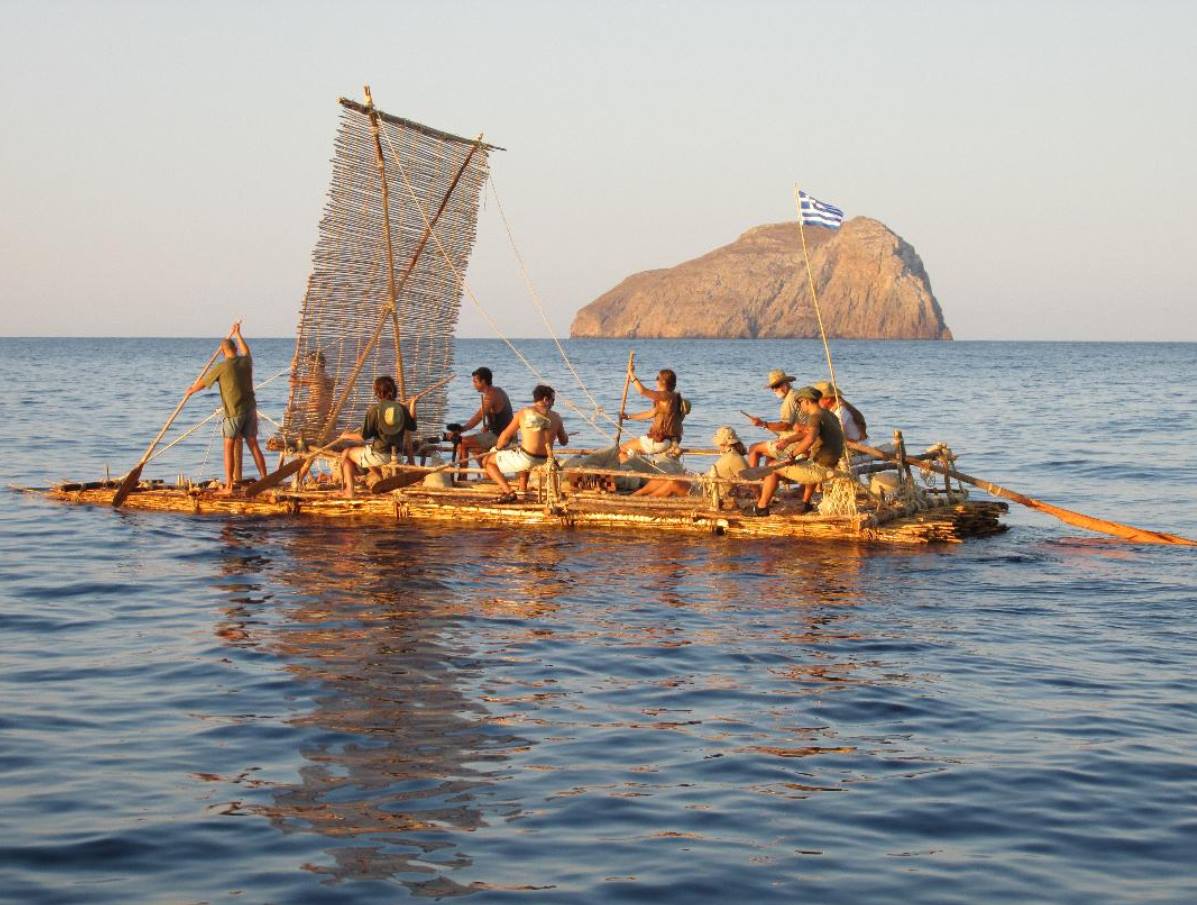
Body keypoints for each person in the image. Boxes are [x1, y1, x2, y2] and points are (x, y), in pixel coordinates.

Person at [184, 321, 267, 495]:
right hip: (250, 409)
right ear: (235, 349)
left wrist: (191, 390)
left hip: (234, 412)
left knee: (228, 445)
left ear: (222, 352)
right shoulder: (246, 361)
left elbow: (203, 383)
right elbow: (247, 351)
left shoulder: (221, 367)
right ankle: (265, 479)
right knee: (253, 444)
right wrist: (238, 333)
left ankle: (229, 486)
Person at [750, 385, 844, 516]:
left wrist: (792, 455)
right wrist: (788, 441)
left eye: (800, 403)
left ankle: (761, 508)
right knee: (797, 461)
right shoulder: (828, 414)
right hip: (830, 464)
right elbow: (809, 432)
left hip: (820, 469)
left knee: (772, 466)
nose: (800, 406)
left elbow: (810, 439)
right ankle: (805, 503)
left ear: (806, 401)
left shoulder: (815, 416)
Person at [335, 375, 435, 498]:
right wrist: (413, 404)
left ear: (378, 392)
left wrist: (346, 435)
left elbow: (362, 436)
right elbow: (413, 426)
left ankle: (349, 490)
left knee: (346, 453)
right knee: (366, 450)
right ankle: (379, 478)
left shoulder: (375, 410)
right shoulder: (401, 409)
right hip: (397, 455)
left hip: (379, 455)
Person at [483, 384, 568, 503]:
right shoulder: (557, 417)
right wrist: (556, 434)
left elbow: (505, 436)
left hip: (527, 458)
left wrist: (496, 449)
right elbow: (564, 441)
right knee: (522, 454)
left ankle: (508, 492)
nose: (553, 404)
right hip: (546, 460)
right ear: (545, 399)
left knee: (488, 461)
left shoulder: (523, 413)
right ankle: (522, 490)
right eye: (553, 400)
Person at [633, 425, 748, 499]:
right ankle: (635, 496)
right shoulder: (728, 455)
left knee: (673, 483)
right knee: (666, 477)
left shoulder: (736, 458)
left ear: (724, 443)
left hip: (705, 494)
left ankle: (648, 500)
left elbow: (749, 479)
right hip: (700, 484)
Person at [454, 367, 513, 477]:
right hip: (503, 434)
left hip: (501, 436)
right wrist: (489, 426)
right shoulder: (498, 391)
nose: (473, 384)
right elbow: (500, 416)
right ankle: (488, 475)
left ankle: (462, 477)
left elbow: (478, 417)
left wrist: (461, 429)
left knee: (462, 442)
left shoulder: (491, 395)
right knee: (475, 449)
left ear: (483, 381)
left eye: (475, 381)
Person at [619, 366, 684, 462]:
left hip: (659, 441)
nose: (656, 381)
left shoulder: (665, 395)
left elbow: (642, 391)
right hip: (667, 442)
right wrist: (628, 416)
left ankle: (628, 470)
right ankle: (633, 467)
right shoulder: (673, 399)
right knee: (628, 451)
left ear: (663, 382)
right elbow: (650, 414)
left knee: (621, 449)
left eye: (657, 378)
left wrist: (631, 374)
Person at [746, 369, 806, 468]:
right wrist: (765, 426)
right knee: (769, 457)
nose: (774, 390)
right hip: (801, 439)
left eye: (776, 386)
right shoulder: (796, 393)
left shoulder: (789, 400)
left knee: (753, 448)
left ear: (785, 384)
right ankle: (768, 476)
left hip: (794, 442)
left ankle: (751, 477)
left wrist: (763, 424)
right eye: (772, 387)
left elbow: (785, 426)